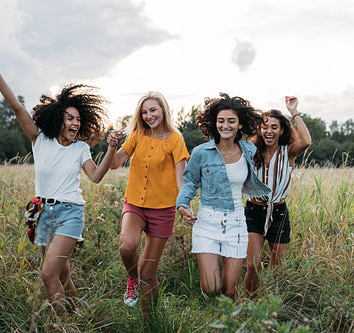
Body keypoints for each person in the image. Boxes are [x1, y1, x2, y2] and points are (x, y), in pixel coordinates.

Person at [0, 47, 122, 316]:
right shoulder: (39, 140)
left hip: (70, 214)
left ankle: (61, 324)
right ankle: (76, 316)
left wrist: (111, 148)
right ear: (58, 119)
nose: (75, 122)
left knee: (47, 274)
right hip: (42, 212)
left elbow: (97, 177)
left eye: (78, 119)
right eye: (70, 117)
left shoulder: (80, 149)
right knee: (62, 275)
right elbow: (17, 107)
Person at [176, 93, 270, 301]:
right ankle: (209, 298)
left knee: (230, 291)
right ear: (214, 123)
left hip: (236, 223)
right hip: (207, 223)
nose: (225, 125)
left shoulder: (249, 150)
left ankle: (228, 324)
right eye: (221, 121)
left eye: (231, 121)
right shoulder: (201, 152)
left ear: (239, 124)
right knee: (212, 288)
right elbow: (190, 182)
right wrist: (182, 205)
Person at [107, 91, 189, 316]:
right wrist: (112, 146)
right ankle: (131, 279)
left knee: (149, 273)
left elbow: (181, 179)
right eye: (144, 112)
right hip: (134, 205)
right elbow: (114, 163)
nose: (148, 116)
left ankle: (149, 321)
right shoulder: (137, 136)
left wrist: (184, 205)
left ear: (163, 109)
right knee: (127, 246)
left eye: (153, 110)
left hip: (163, 211)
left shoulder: (175, 138)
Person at [243, 96, 311, 296]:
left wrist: (294, 111)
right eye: (264, 127)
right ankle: (249, 303)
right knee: (253, 265)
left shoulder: (288, 151)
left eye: (274, 127)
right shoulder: (251, 150)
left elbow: (306, 141)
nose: (269, 131)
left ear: (282, 130)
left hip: (279, 213)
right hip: (254, 211)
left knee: (277, 269)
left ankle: (271, 308)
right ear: (259, 130)